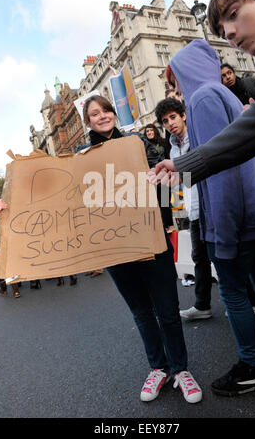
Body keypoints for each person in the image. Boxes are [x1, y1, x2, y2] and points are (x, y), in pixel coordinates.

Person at [149, 0, 255, 365]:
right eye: (220, 26)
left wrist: (221, 230)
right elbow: (245, 138)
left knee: (237, 294)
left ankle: (250, 363)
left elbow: (226, 166)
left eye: (233, 15)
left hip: (236, 220)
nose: (228, 32)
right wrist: (181, 166)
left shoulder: (205, 99)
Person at [78, 95, 203, 403]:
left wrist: (170, 210)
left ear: (113, 113)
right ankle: (158, 367)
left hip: (151, 240)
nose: (103, 116)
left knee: (168, 309)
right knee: (142, 312)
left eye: (106, 109)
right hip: (114, 249)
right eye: (95, 114)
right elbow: (71, 203)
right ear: (88, 121)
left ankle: (180, 369)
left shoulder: (138, 144)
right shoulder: (80, 156)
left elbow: (170, 181)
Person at [155, 96, 255, 320]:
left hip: (212, 206)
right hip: (195, 211)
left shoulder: (198, 136)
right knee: (199, 258)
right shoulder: (173, 150)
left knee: (224, 257)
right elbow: (180, 182)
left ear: (183, 115)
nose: (170, 123)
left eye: (173, 117)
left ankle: (251, 301)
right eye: (165, 121)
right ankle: (202, 305)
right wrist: (171, 211)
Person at [143, 124, 175, 233]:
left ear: (155, 131)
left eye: (151, 131)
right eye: (147, 131)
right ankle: (163, 227)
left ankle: (170, 225)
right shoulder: (144, 146)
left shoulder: (162, 142)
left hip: (164, 174)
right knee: (157, 202)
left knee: (165, 201)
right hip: (152, 176)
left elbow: (168, 155)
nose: (149, 133)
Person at [0, 218, 20, 298]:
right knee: (9, 269)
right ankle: (15, 291)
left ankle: (4, 290)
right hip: (5, 249)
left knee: (0, 270)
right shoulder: (6, 224)